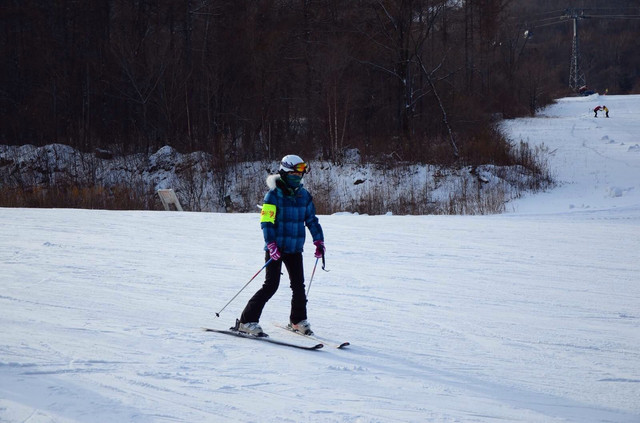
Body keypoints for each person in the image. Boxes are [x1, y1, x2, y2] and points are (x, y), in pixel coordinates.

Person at [236, 154, 325, 337]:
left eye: (299, 174)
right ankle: (246, 321)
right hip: (276, 249)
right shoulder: (272, 196)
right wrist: (271, 245)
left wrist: (318, 240)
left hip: (294, 249)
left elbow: (311, 220)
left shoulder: (304, 195)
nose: (297, 177)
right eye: (293, 174)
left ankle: (298, 320)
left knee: (298, 286)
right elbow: (266, 223)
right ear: (284, 173)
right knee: (271, 285)